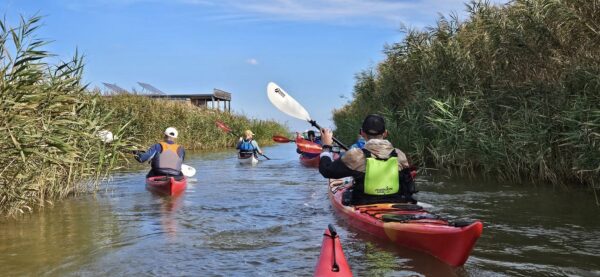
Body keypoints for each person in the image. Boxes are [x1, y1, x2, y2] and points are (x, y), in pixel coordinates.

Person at [319, 114, 417, 205]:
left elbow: (326, 171)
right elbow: (408, 186)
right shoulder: (400, 155)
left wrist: (326, 147)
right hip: (396, 204)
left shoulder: (355, 155)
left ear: (362, 133)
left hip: (363, 204)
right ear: (385, 133)